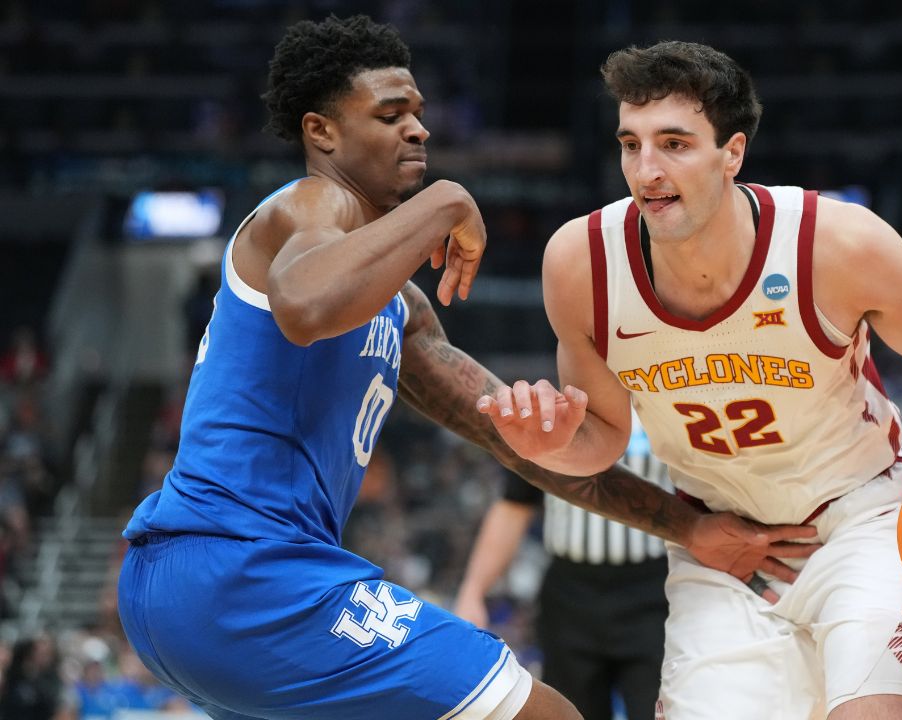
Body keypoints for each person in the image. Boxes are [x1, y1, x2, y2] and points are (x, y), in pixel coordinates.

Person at [116, 19, 820, 720]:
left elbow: (519, 447)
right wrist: (445, 201)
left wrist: (687, 527)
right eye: (390, 115)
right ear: (321, 132)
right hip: (240, 572)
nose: (418, 129)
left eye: (418, 113)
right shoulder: (310, 203)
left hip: (188, 593)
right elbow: (304, 306)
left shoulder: (398, 308)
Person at [478, 40, 902, 720]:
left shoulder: (837, 245)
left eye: (674, 144)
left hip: (860, 523)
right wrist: (547, 446)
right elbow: (601, 440)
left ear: (732, 153)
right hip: (722, 549)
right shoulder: (580, 264)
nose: (646, 170)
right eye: (631, 144)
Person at [457, 412, 670, 720]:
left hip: (653, 592)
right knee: (568, 711)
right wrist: (473, 590)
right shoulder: (550, 407)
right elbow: (514, 503)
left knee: (660, 710)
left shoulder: (660, 404)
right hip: (570, 596)